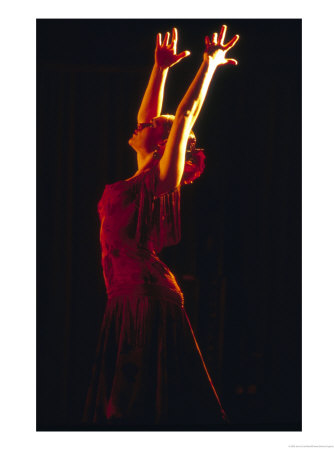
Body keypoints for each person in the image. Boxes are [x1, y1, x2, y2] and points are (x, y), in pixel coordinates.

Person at [83, 24, 239, 427]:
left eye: (150, 126)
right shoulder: (142, 179)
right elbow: (151, 116)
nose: (139, 125)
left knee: (130, 402)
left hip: (145, 294)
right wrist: (160, 70)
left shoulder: (161, 178)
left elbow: (185, 115)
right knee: (125, 398)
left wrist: (209, 65)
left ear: (162, 143)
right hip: (126, 292)